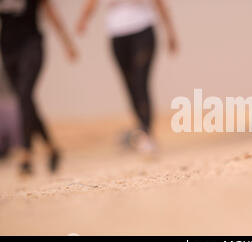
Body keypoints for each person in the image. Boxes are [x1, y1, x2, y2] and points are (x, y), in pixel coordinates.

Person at [76, 0, 179, 153]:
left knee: (140, 81)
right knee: (129, 84)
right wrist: (83, 20)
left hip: (143, 29)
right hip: (117, 35)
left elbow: (159, 3)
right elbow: (92, 3)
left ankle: (146, 132)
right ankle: (141, 127)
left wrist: (170, 32)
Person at [0, 0, 77, 174]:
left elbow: (50, 12)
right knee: (24, 99)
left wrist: (67, 43)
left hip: (32, 45)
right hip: (8, 49)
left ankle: (26, 152)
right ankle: (52, 148)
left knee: (25, 94)